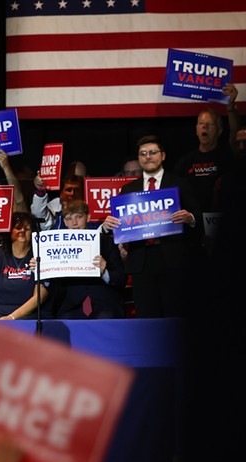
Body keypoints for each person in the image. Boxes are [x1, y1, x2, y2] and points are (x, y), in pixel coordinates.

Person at [101, 135, 203, 318]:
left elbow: (198, 218)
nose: (148, 157)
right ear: (139, 158)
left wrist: (190, 218)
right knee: (147, 317)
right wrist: (109, 226)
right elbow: (121, 228)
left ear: (163, 156)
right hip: (141, 262)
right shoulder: (128, 190)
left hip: (172, 260)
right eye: (143, 153)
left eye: (153, 152)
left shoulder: (179, 183)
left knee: (175, 316)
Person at [45, 200, 126, 319]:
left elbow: (121, 280)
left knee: (107, 317)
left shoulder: (107, 242)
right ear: (64, 222)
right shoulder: (56, 247)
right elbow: (54, 288)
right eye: (69, 218)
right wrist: (45, 272)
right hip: (69, 305)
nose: (74, 223)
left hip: (104, 304)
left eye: (79, 217)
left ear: (88, 218)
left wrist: (105, 273)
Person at [173, 83, 240, 213]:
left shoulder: (227, 155)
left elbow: (235, 135)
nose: (204, 127)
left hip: (222, 218)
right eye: (201, 124)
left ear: (219, 130)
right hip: (194, 221)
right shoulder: (185, 162)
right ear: (196, 130)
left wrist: (231, 108)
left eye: (209, 124)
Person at [0, 212, 49, 320]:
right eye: (18, 228)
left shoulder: (39, 257)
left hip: (28, 318)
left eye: (27, 229)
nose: (22, 231)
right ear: (10, 232)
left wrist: (12, 317)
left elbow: (41, 296)